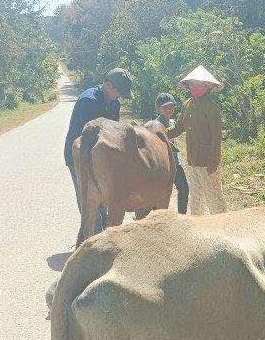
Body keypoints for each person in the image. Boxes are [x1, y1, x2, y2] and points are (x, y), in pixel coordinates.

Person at [63, 68, 133, 232]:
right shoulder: (89, 100)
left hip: (100, 158)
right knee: (89, 201)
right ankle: (92, 242)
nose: (120, 95)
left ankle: (95, 237)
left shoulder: (114, 104)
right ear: (108, 85)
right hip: (80, 157)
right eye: (119, 91)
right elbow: (89, 138)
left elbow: (114, 132)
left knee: (103, 199)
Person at [165, 65, 227, 216]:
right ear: (188, 86)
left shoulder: (211, 108)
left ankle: (223, 226)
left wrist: (214, 160)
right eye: (192, 84)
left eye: (198, 85)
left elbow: (216, 137)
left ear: (207, 87)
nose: (195, 87)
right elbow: (179, 128)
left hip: (207, 162)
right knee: (196, 197)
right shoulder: (187, 105)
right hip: (192, 160)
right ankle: (198, 227)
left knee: (214, 197)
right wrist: (162, 132)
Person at [149, 92, 189, 214]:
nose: (169, 110)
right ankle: (148, 216)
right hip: (161, 165)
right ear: (158, 108)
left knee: (184, 189)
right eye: (165, 107)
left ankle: (181, 216)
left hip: (176, 163)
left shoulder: (173, 123)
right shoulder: (153, 125)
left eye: (171, 107)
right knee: (158, 192)